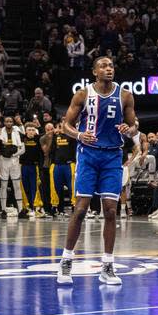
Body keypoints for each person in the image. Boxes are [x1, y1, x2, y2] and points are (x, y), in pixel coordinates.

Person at [57, 57, 138, 286]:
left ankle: (108, 266)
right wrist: (79, 135)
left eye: (111, 65)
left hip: (113, 156)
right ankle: (66, 260)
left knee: (111, 211)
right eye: (103, 66)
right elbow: (66, 125)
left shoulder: (125, 95)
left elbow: (134, 127)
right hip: (89, 155)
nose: (109, 69)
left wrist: (128, 129)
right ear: (94, 72)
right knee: (81, 209)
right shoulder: (83, 94)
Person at [0, 115, 23, 216]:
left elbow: (22, 148)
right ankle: (3, 210)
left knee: (16, 185)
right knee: (3, 185)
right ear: (4, 123)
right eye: (7, 121)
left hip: (15, 161)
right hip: (3, 161)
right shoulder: (0, 132)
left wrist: (14, 154)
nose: (9, 123)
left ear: (13, 123)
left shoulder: (17, 132)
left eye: (11, 121)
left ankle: (20, 210)